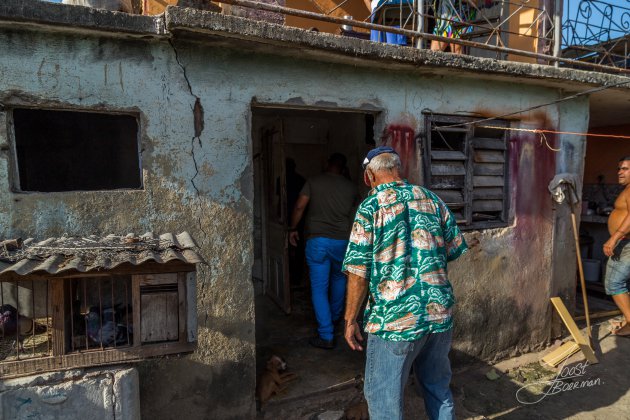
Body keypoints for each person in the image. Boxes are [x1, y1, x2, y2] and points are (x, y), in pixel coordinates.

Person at [342, 146, 467, 419]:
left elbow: (358, 272)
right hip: (438, 315)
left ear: (369, 177)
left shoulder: (370, 208)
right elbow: (454, 249)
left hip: (394, 322)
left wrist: (350, 319)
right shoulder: (433, 200)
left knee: (383, 398)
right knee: (437, 387)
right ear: (400, 170)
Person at [289, 153, 359, 349]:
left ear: (327, 163)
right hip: (342, 242)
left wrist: (292, 228)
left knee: (319, 288)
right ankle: (335, 319)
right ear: (343, 167)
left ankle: (326, 334)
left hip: (317, 240)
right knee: (339, 280)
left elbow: (300, 206)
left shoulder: (313, 181)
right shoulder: (351, 187)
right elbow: (357, 211)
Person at [603, 157, 630, 336]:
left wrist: (614, 238)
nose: (620, 172)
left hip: (625, 243)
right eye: (619, 168)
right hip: (624, 242)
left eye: (625, 169)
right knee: (621, 282)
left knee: (614, 283)